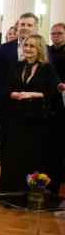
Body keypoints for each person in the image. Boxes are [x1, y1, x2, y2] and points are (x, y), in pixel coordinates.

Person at [0, 34, 60, 193]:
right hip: (17, 118)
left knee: (33, 155)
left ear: (39, 48)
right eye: (26, 45)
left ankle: (32, 192)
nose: (28, 49)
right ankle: (11, 191)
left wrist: (32, 94)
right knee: (14, 156)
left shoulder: (48, 68)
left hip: (37, 120)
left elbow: (51, 93)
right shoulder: (16, 65)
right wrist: (15, 95)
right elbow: (7, 88)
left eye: (32, 46)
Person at [0, 13, 38, 164]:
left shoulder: (45, 48)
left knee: (29, 148)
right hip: (8, 104)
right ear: (17, 26)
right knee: (6, 145)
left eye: (29, 25)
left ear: (35, 27)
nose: (25, 28)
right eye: (22, 24)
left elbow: (50, 75)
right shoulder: (5, 48)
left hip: (34, 108)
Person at [46, 23, 65, 194]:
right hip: (48, 102)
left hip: (63, 103)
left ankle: (55, 189)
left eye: (59, 33)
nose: (55, 36)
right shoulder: (47, 51)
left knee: (58, 149)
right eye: (53, 33)